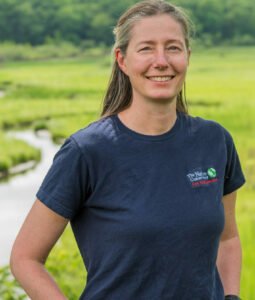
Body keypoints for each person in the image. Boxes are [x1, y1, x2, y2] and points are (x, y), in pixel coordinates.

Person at [10, 1, 245, 299]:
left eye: (172, 47)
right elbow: (25, 258)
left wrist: (231, 296)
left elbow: (228, 238)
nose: (161, 61)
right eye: (146, 48)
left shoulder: (215, 141)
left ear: (187, 55)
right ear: (122, 60)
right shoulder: (86, 151)